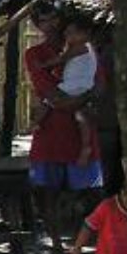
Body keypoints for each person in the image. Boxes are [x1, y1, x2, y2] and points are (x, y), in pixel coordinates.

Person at [25, 2, 104, 254]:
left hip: (82, 134)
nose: (51, 25)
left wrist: (76, 100)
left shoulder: (84, 49)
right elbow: (55, 96)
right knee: (47, 192)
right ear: (37, 25)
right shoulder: (35, 54)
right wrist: (80, 99)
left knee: (92, 194)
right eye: (43, 20)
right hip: (50, 136)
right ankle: (58, 249)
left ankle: (93, 247)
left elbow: (100, 87)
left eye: (54, 18)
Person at [36, 12, 98, 167]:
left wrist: (43, 65)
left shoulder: (80, 47)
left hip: (74, 84)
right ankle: (86, 146)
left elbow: (61, 59)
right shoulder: (89, 49)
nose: (67, 35)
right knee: (80, 116)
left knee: (47, 100)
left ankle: (36, 123)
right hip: (84, 84)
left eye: (71, 33)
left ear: (85, 34)